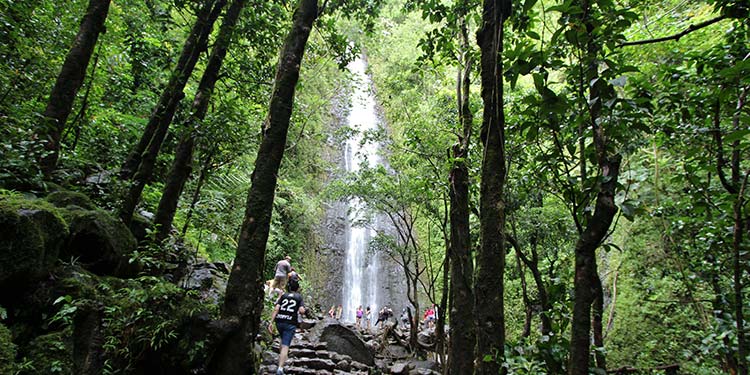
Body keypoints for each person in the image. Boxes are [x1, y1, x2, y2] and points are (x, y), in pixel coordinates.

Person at [268, 281, 305, 375]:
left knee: (282, 340)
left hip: (279, 321)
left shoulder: (284, 295)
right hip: (290, 323)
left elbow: (276, 308)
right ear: (297, 288)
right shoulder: (299, 297)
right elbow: (301, 311)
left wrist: (271, 322)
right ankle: (280, 369)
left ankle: (281, 359)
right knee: (285, 345)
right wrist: (302, 310)